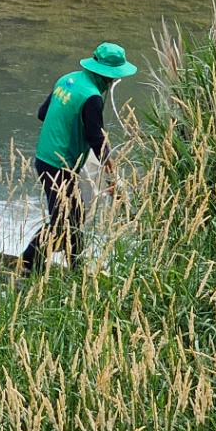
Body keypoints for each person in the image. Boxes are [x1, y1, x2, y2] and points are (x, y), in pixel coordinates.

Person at [19, 42, 135, 274]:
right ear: (109, 77)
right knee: (64, 221)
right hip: (59, 166)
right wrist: (113, 179)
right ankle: (28, 262)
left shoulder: (68, 79)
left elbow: (42, 113)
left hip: (44, 158)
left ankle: (76, 268)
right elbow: (98, 141)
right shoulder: (92, 97)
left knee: (75, 216)